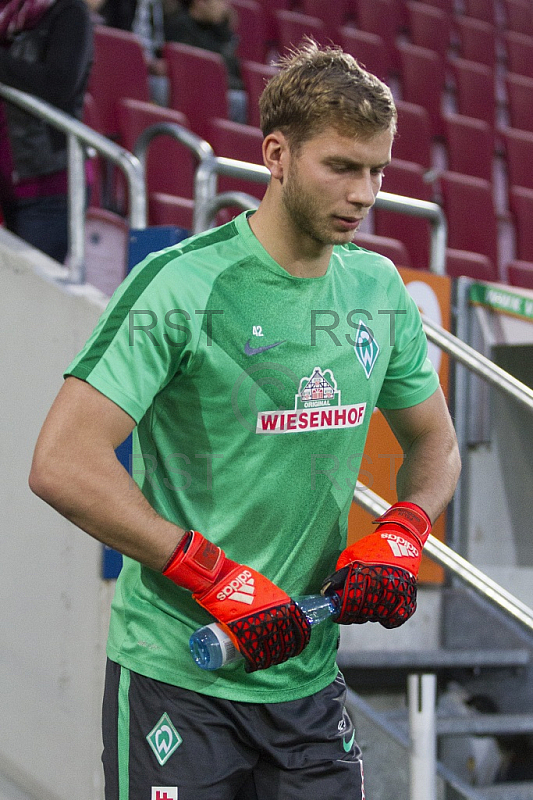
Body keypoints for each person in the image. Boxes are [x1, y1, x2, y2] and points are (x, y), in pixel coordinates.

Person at [29, 40, 461, 800]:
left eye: (377, 171)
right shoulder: (179, 284)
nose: (364, 193)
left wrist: (403, 529)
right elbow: (64, 462)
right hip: (180, 673)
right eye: (341, 167)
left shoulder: (376, 286)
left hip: (305, 682)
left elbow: (436, 445)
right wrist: (214, 575)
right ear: (276, 155)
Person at [0, 0, 93, 262]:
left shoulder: (69, 12)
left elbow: (59, 83)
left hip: (49, 185)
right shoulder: (6, 17)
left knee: (31, 293)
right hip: (10, 184)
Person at [164, 0, 247, 122]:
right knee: (242, 102)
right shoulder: (181, 27)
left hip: (219, 90)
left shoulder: (216, 30)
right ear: (199, 2)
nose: (224, 6)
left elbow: (231, 66)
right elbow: (201, 71)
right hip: (195, 92)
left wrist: (224, 24)